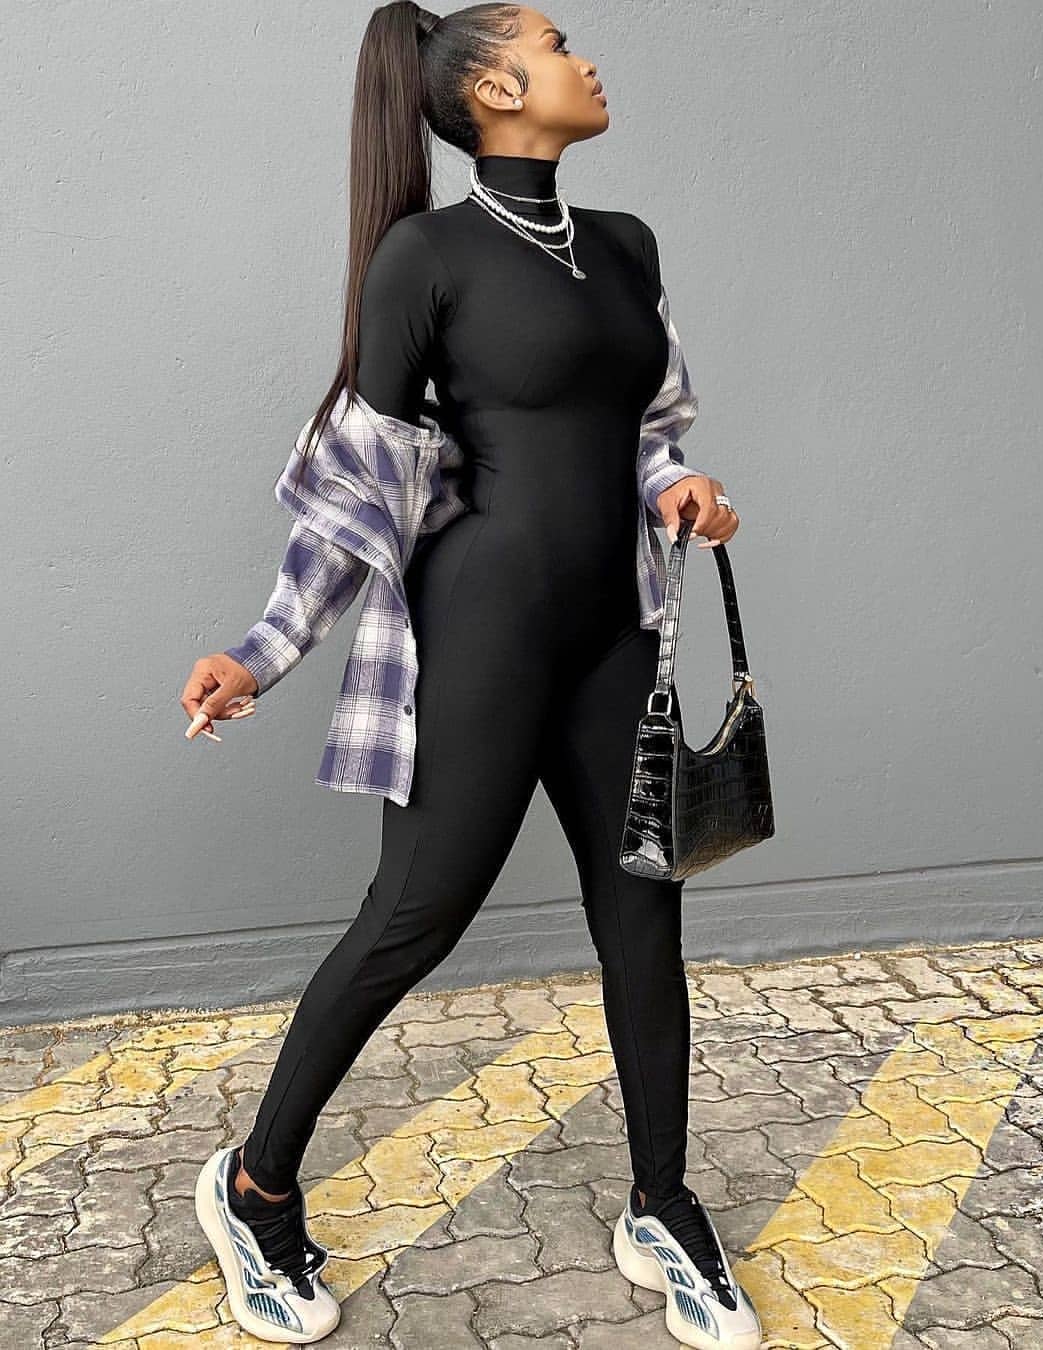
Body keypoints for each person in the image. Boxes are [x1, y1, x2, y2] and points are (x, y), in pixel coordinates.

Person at [181, 5, 756, 1347]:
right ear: (495, 87)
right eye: (556, 44)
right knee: (416, 915)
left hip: (615, 636)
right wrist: (262, 650)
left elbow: (645, 426)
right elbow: (361, 488)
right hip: (479, 636)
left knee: (645, 914)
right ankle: (253, 1188)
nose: (585, 59)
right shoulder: (425, 258)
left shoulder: (626, 245)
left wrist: (679, 489)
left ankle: (663, 1203)